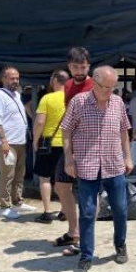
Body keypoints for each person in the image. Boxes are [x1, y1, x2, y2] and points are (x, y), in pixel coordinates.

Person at [61, 65, 133, 272]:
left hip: (114, 164)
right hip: (87, 165)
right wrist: (68, 158)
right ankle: (85, 256)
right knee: (88, 212)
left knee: (120, 209)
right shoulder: (79, 102)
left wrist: (128, 156)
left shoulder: (118, 102)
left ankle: (120, 245)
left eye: (113, 87)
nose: (110, 91)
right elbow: (66, 130)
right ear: (95, 83)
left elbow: (123, 131)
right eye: (106, 87)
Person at [52, 47, 94, 251]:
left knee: (88, 193)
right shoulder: (68, 85)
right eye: (75, 67)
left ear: (89, 66)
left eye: (83, 67)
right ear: (69, 67)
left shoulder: (95, 86)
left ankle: (85, 240)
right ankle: (73, 232)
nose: (79, 70)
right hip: (70, 143)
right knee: (60, 186)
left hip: (90, 146)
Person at [0, 66, 37, 219]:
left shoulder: (16, 94)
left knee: (19, 174)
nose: (15, 81)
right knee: (7, 174)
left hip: (20, 141)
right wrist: (3, 141)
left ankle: (17, 201)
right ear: (4, 78)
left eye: (17, 78)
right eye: (12, 78)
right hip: (8, 143)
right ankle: (4, 206)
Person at [32, 70, 69, 223]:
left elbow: (40, 122)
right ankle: (65, 211)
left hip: (48, 144)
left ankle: (47, 212)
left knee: (45, 178)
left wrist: (35, 140)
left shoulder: (47, 98)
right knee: (65, 181)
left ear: (54, 80)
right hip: (67, 144)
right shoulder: (72, 98)